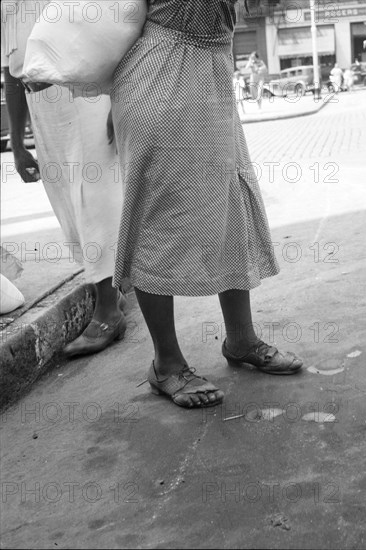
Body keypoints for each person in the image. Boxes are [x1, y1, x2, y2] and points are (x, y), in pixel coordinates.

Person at [110, 0, 303, 409]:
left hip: (211, 74)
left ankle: (241, 339)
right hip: (163, 76)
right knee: (159, 220)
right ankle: (166, 363)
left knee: (229, 207)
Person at [2, 0, 126, 356]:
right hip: (40, 105)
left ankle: (107, 311)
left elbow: (112, 37)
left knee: (94, 200)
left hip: (82, 94)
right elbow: (11, 75)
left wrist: (114, 100)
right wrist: (16, 140)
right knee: (68, 206)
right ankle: (115, 288)